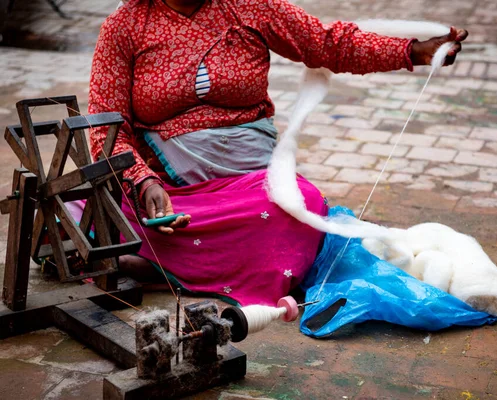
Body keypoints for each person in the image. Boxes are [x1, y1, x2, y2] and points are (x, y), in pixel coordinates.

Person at [87, 0, 467, 306]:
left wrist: (414, 52)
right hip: (169, 191)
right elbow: (105, 126)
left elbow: (325, 43)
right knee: (123, 217)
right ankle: (171, 256)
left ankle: (162, 264)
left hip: (250, 183)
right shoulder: (126, 26)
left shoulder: (250, 6)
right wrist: (144, 181)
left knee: (302, 205)